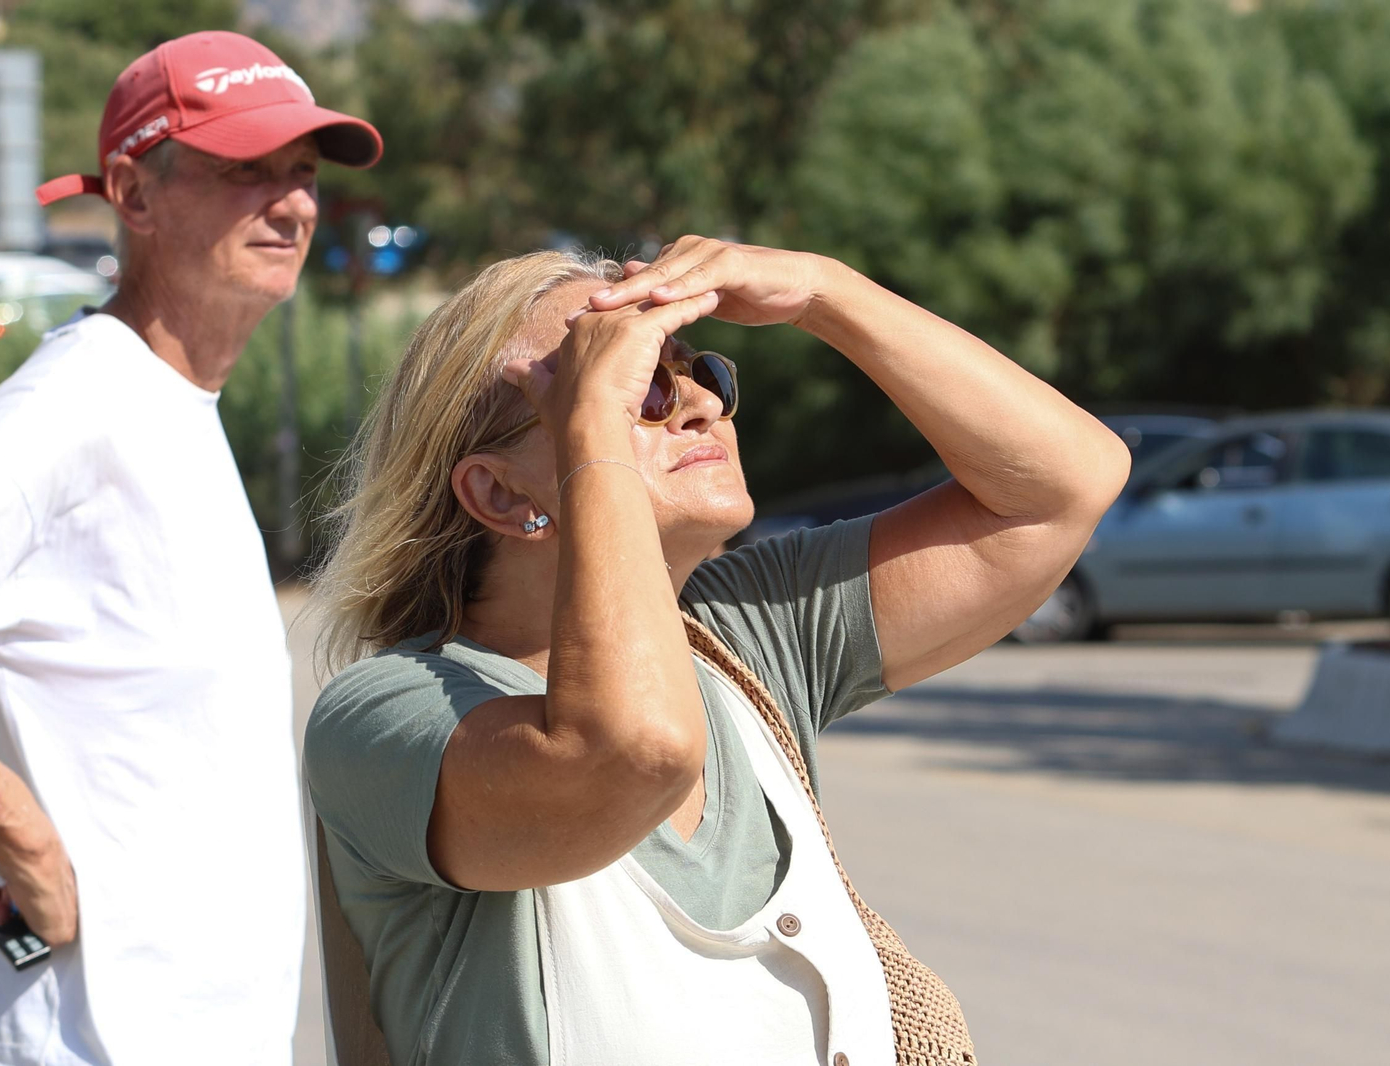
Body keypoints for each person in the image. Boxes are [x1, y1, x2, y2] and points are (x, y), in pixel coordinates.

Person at [303, 237, 1131, 1065]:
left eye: (697, 369)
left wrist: (824, 292)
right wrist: (593, 426)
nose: (701, 403)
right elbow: (631, 751)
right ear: (498, 492)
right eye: (639, 385)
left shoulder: (740, 635)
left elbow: (1064, 488)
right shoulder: (388, 714)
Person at [0, 31, 382, 1066]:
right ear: (133, 192)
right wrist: (23, 841)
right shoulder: (77, 400)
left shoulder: (172, 401)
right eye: (247, 169)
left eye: (303, 172)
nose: (291, 204)